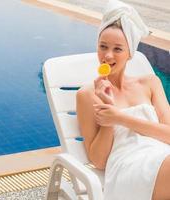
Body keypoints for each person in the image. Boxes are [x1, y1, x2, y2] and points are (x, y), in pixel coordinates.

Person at [76, 0, 170, 199]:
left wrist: (119, 118)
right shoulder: (87, 95)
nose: (107, 55)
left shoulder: (150, 83)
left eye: (118, 49)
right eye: (103, 46)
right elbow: (99, 161)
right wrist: (107, 111)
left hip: (161, 156)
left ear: (130, 53)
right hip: (127, 167)